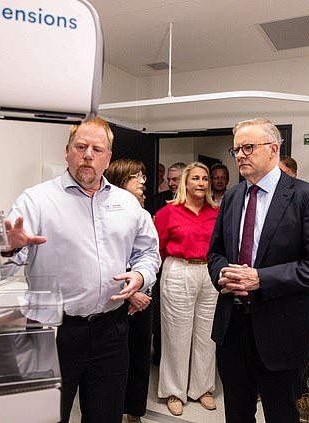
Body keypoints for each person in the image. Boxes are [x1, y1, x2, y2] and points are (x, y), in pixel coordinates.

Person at [0, 117, 160, 423]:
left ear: (108, 157)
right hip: (54, 333)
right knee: (46, 416)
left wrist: (140, 276)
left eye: (97, 149)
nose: (88, 154)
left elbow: (149, 252)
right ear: (67, 151)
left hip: (111, 331)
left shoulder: (128, 204)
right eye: (81, 146)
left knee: (105, 416)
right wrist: (9, 248)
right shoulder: (37, 200)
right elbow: (3, 269)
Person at [207, 118, 309, 423]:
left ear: (274, 149)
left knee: (281, 414)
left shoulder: (308, 198)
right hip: (233, 328)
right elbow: (215, 252)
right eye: (237, 148)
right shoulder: (233, 197)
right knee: (237, 414)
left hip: (282, 331)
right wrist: (223, 273)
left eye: (248, 147)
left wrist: (260, 279)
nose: (240, 155)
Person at [155, 162, 220, 416]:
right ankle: (174, 390)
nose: (201, 183)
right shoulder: (169, 212)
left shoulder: (216, 212)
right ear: (185, 182)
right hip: (178, 269)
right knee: (176, 334)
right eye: (195, 178)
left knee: (207, 336)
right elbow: (157, 249)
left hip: (208, 274)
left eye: (205, 179)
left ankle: (202, 389)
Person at [104, 159, 153, 423]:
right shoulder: (105, 212)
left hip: (143, 297)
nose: (143, 180)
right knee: (117, 362)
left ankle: (135, 412)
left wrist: (143, 288)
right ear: (122, 180)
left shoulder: (141, 212)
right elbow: (107, 260)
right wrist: (131, 292)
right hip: (119, 299)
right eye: (137, 176)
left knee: (140, 357)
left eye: (143, 175)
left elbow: (149, 255)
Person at [151, 161, 187, 366]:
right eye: (169, 180)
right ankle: (161, 355)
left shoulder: (196, 203)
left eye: (175, 179)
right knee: (162, 317)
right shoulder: (158, 201)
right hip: (162, 266)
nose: (171, 183)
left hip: (187, 268)